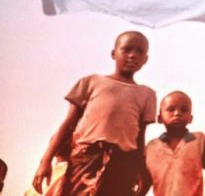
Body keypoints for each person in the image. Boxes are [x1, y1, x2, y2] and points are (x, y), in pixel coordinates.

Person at [31, 31, 156, 196]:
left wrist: (140, 168)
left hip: (123, 163)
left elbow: (140, 138)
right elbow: (68, 124)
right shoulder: (91, 82)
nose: (132, 55)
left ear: (145, 59)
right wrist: (45, 160)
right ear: (114, 53)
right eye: (126, 49)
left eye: (139, 52)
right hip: (84, 159)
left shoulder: (147, 94)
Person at [143, 91, 205, 196]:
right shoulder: (151, 148)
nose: (177, 113)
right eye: (171, 109)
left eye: (184, 110)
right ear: (159, 118)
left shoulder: (199, 141)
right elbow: (145, 182)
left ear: (190, 118)